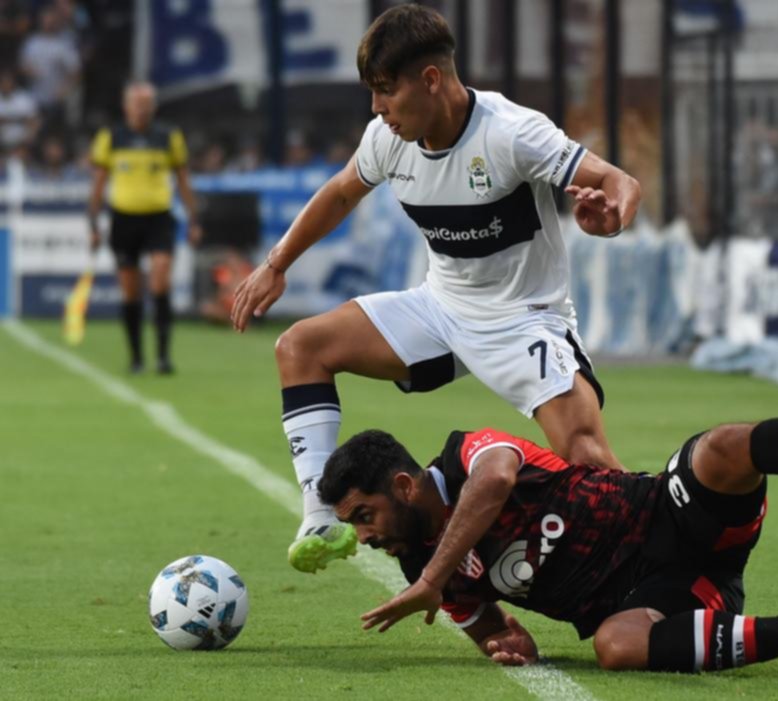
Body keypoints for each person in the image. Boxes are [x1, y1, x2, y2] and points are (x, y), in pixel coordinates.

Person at [229, 5, 642, 573]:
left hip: (521, 320)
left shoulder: (511, 132)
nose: (377, 108)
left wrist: (611, 217)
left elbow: (620, 183)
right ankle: (320, 516)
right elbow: (341, 193)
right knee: (299, 347)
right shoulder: (387, 139)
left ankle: (658, 555)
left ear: (430, 80)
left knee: (587, 457)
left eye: (385, 91)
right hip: (440, 310)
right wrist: (277, 262)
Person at [318, 353, 778, 672]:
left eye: (363, 515)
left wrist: (430, 580)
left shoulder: (465, 455)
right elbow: (494, 632)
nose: (364, 535)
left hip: (669, 512)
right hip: (670, 593)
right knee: (615, 647)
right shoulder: (423, 570)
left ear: (403, 486)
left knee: (715, 450)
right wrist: (509, 644)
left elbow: (498, 478)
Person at [87, 80, 202, 374]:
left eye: (147, 104)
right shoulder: (111, 137)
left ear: (154, 107)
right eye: (137, 104)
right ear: (127, 107)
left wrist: (193, 220)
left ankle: (163, 356)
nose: (142, 110)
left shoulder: (168, 136)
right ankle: (136, 357)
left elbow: (183, 181)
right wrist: (93, 224)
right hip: (124, 219)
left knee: (161, 278)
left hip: (158, 217)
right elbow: (98, 186)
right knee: (130, 290)